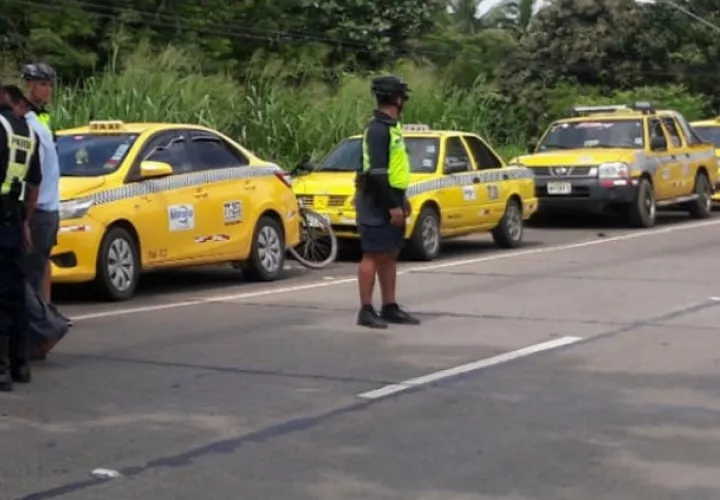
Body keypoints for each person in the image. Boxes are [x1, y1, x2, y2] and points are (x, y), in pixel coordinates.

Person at [354, 75, 420, 329]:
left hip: (393, 195)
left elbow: (395, 169)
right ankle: (366, 309)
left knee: (390, 253)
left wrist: (403, 200)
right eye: (402, 96)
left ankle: (390, 306)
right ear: (396, 98)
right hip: (375, 198)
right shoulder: (378, 130)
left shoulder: (392, 127)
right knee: (372, 254)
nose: (404, 101)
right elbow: (377, 172)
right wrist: (392, 205)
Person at [21, 63, 70, 328]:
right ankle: (44, 322)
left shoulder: (42, 119)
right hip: (40, 207)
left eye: (50, 84)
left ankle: (44, 322)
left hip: (45, 206)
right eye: (41, 84)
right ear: (27, 85)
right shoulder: (26, 121)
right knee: (34, 268)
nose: (47, 89)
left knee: (36, 267)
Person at [0, 81, 42, 391]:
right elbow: (34, 185)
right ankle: (20, 366)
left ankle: (1, 371)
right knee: (15, 294)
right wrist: (26, 221)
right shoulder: (28, 134)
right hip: (14, 222)